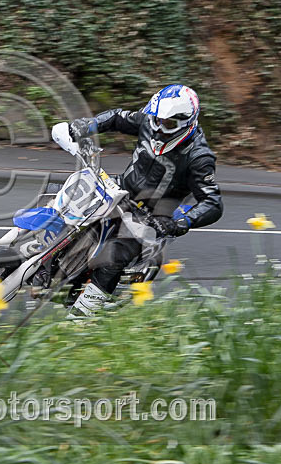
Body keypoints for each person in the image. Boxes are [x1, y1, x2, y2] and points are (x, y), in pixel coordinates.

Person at [66, 84, 223, 316]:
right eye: (156, 119)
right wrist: (90, 124)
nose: (158, 128)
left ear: (187, 123)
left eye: (168, 123)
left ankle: (81, 317)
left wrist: (180, 223)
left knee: (114, 256)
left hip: (152, 215)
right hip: (120, 188)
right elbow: (118, 117)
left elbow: (213, 202)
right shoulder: (151, 121)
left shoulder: (199, 157)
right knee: (67, 203)